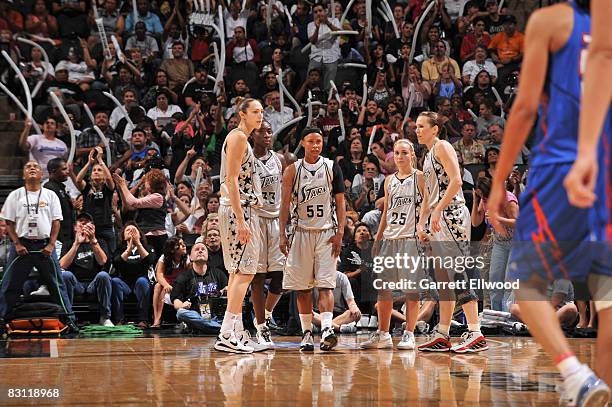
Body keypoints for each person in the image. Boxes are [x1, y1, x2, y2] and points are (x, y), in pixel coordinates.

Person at [487, 1, 612, 403]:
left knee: (528, 290)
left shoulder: (550, 22)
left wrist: (497, 181)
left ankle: (575, 374)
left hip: (561, 163)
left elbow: (524, 109)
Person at [415, 112, 488, 353]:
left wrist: (437, 211)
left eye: (422, 126)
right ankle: (443, 332)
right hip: (439, 216)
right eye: (416, 126)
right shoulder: (426, 156)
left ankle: (475, 331)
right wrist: (422, 221)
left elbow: (457, 181)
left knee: (457, 272)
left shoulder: (442, 146)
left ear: (435, 128)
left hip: (452, 213)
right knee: (443, 278)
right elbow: (428, 194)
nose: (417, 130)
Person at [280, 126, 346, 352]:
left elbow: (340, 203)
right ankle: (307, 333)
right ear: (303, 143)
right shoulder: (292, 171)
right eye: (311, 141)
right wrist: (282, 234)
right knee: (303, 288)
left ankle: (327, 329)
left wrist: (340, 233)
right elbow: (284, 206)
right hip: (300, 232)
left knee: (326, 285)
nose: (316, 145)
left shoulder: (331, 167)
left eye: (319, 141)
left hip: (327, 232)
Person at [362, 139, 424, 350]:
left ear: (412, 155)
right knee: (383, 289)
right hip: (390, 238)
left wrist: (424, 232)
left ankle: (409, 333)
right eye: (396, 153)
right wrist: (378, 239)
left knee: (411, 290)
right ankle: (383, 334)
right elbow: (386, 211)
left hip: (410, 239)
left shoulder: (421, 178)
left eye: (404, 152)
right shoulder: (389, 181)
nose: (399, 156)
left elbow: (428, 207)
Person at [214, 98, 266, 354]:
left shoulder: (239, 138)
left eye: (262, 112)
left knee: (237, 272)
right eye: (255, 111)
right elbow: (232, 180)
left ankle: (233, 330)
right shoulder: (238, 138)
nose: (260, 115)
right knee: (245, 272)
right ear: (242, 114)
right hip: (239, 210)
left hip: (238, 209)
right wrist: (242, 219)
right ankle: (226, 332)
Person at [0, 161, 75, 332]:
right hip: (21, 246)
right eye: (28, 167)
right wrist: (17, 243)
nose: (32, 168)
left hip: (44, 247)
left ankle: (69, 320)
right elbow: (9, 223)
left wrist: (50, 244)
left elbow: (56, 222)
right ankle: (2, 318)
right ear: (23, 175)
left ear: (42, 175)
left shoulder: (50, 195)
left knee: (57, 284)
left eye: (36, 167)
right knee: (10, 284)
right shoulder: (15, 195)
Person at [250, 120, 286, 348]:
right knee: (258, 276)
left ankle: (265, 314)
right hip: (255, 219)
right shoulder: (247, 159)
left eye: (269, 131)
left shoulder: (280, 159)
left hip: (276, 220)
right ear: (252, 134)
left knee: (281, 277)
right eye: (262, 131)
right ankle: (262, 328)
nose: (267, 134)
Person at [59, 212, 112, 326]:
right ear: (74, 227)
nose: (84, 224)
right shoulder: (68, 244)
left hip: (94, 284)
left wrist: (93, 241)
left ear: (93, 227)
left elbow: (102, 261)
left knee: (103, 275)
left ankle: (105, 317)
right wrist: (76, 244)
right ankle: (69, 318)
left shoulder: (100, 242)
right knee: (65, 275)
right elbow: (62, 265)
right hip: (76, 283)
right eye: (81, 222)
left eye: (87, 222)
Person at [170, 240, 228, 334]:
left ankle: (204, 327)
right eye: (197, 249)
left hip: (216, 316)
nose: (200, 251)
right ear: (190, 257)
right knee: (181, 313)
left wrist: (226, 290)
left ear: (208, 256)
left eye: (203, 249)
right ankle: (220, 329)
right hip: (196, 315)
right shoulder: (183, 277)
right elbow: (176, 302)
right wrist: (182, 305)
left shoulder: (218, 274)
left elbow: (229, 290)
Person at [114, 169, 168, 260]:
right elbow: (130, 206)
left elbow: (133, 202)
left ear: (151, 183)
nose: (144, 183)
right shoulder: (150, 198)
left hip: (156, 237)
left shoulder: (158, 197)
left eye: (146, 181)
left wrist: (123, 185)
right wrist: (121, 189)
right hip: (146, 235)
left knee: (155, 262)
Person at [111, 222, 154, 327]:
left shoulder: (147, 247)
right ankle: (119, 319)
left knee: (142, 281)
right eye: (128, 230)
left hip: (141, 281)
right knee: (115, 281)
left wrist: (138, 244)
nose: (131, 232)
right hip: (124, 282)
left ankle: (143, 319)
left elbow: (150, 260)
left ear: (140, 234)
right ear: (123, 236)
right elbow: (117, 263)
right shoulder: (119, 249)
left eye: (134, 230)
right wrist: (129, 249)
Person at [75, 147, 116, 253]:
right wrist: (89, 163)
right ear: (91, 175)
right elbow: (78, 179)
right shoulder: (87, 188)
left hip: (106, 227)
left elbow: (109, 179)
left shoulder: (107, 188)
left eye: (99, 170)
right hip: (89, 227)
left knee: (111, 254)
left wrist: (100, 160)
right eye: (94, 170)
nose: (96, 172)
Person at [152, 237, 189, 328]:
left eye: (183, 243)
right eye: (179, 245)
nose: (184, 246)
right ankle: (157, 319)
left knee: (163, 290)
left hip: (179, 284)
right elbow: (159, 274)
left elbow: (188, 276)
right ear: (172, 250)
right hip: (167, 282)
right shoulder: (164, 258)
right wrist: (166, 285)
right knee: (158, 286)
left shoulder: (186, 258)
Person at [44, 158, 74, 245]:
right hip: (58, 239)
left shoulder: (60, 188)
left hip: (66, 237)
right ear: (53, 171)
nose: (68, 171)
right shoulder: (49, 189)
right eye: (64, 169)